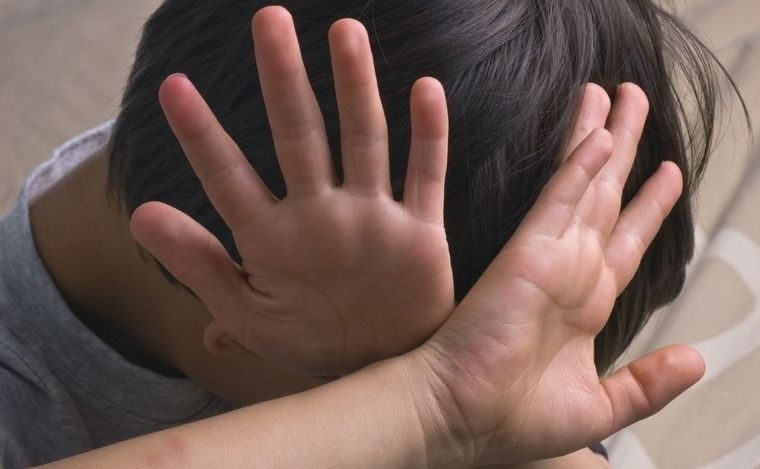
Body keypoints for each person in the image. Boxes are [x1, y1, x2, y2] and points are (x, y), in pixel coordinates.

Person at [0, 1, 733, 467]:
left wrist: (478, 408)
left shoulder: (262, 158)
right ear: (234, 318)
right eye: (374, 383)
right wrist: (433, 403)